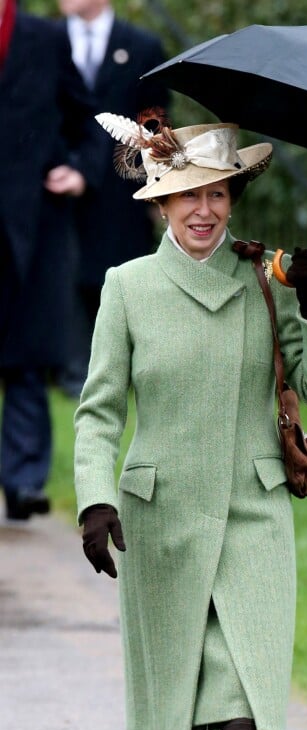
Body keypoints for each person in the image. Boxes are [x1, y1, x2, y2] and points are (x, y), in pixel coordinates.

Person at [73, 110, 307, 730]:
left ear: (233, 198)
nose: (204, 210)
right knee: (178, 692)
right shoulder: (128, 287)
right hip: (161, 520)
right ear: (160, 201)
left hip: (254, 509)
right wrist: (95, 496)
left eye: (218, 193)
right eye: (187, 194)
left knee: (246, 680)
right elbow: (98, 413)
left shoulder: (266, 279)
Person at [0, 0, 105, 521]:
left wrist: (82, 171)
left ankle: (22, 483)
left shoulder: (45, 38)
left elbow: (89, 122)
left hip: (32, 229)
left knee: (24, 360)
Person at [56, 0, 170, 396]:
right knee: (64, 277)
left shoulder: (141, 46)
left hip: (121, 194)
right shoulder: (47, 41)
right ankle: (72, 372)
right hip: (55, 187)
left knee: (120, 282)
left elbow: (155, 121)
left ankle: (126, 370)